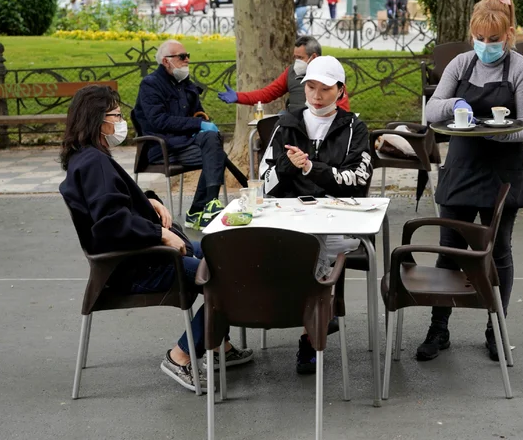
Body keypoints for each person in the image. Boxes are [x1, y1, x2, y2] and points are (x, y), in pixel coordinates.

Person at [59, 86, 253, 392]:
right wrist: (160, 233)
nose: (121, 122)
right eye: (116, 116)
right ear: (98, 120)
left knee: (228, 255)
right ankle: (182, 355)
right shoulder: (94, 162)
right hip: (140, 265)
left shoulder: (85, 158)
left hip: (142, 255)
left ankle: (217, 346)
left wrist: (149, 201)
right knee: (232, 278)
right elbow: (111, 223)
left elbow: (113, 204)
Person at [420, 0, 523, 362]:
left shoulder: (522, 69)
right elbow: (430, 111)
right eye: (478, 37)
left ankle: (496, 330)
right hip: (461, 169)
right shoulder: (461, 64)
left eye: (492, 39)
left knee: (497, 252)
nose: (484, 44)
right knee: (448, 252)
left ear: (508, 35)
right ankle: (439, 328)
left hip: (502, 173)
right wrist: (453, 103)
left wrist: (489, 131)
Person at [258, 56, 372, 374]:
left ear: (340, 90)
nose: (316, 95)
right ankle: (318, 317)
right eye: (310, 87)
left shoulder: (354, 128)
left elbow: (358, 179)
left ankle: (310, 331)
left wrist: (311, 167)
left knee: (315, 247)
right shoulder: (287, 123)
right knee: (294, 245)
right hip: (291, 217)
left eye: (325, 88)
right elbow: (264, 179)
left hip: (337, 220)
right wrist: (288, 165)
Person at [132, 40, 227, 231]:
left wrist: (202, 123)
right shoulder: (150, 85)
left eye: (188, 56)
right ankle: (204, 208)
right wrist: (198, 124)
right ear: (166, 61)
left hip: (186, 143)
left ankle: (203, 208)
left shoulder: (186, 84)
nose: (187, 61)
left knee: (213, 144)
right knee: (217, 154)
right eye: (182, 57)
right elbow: (159, 121)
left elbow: (198, 114)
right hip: (162, 147)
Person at [216, 36, 350, 112]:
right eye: (295, 57)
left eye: (300, 58)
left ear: (313, 57)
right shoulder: (290, 72)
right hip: (293, 121)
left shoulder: (331, 73)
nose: (296, 62)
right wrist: (238, 97)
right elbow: (267, 94)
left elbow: (342, 108)